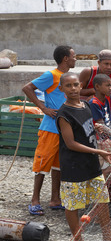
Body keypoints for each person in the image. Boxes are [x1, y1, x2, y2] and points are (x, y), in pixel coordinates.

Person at [56, 72, 111, 241]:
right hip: (73, 166)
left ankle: (108, 240)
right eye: (68, 86)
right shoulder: (63, 114)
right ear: (62, 89)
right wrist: (99, 152)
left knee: (102, 200)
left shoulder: (85, 106)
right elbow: (71, 143)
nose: (73, 89)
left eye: (75, 85)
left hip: (91, 163)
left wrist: (98, 132)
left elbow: (89, 130)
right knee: (73, 205)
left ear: (81, 86)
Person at [22, 45, 77, 216]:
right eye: (74, 56)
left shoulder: (68, 78)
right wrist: (43, 108)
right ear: (65, 58)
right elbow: (27, 88)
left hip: (64, 128)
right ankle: (35, 200)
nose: (76, 59)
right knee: (42, 164)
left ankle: (55, 199)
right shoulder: (51, 75)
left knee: (59, 166)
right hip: (50, 128)